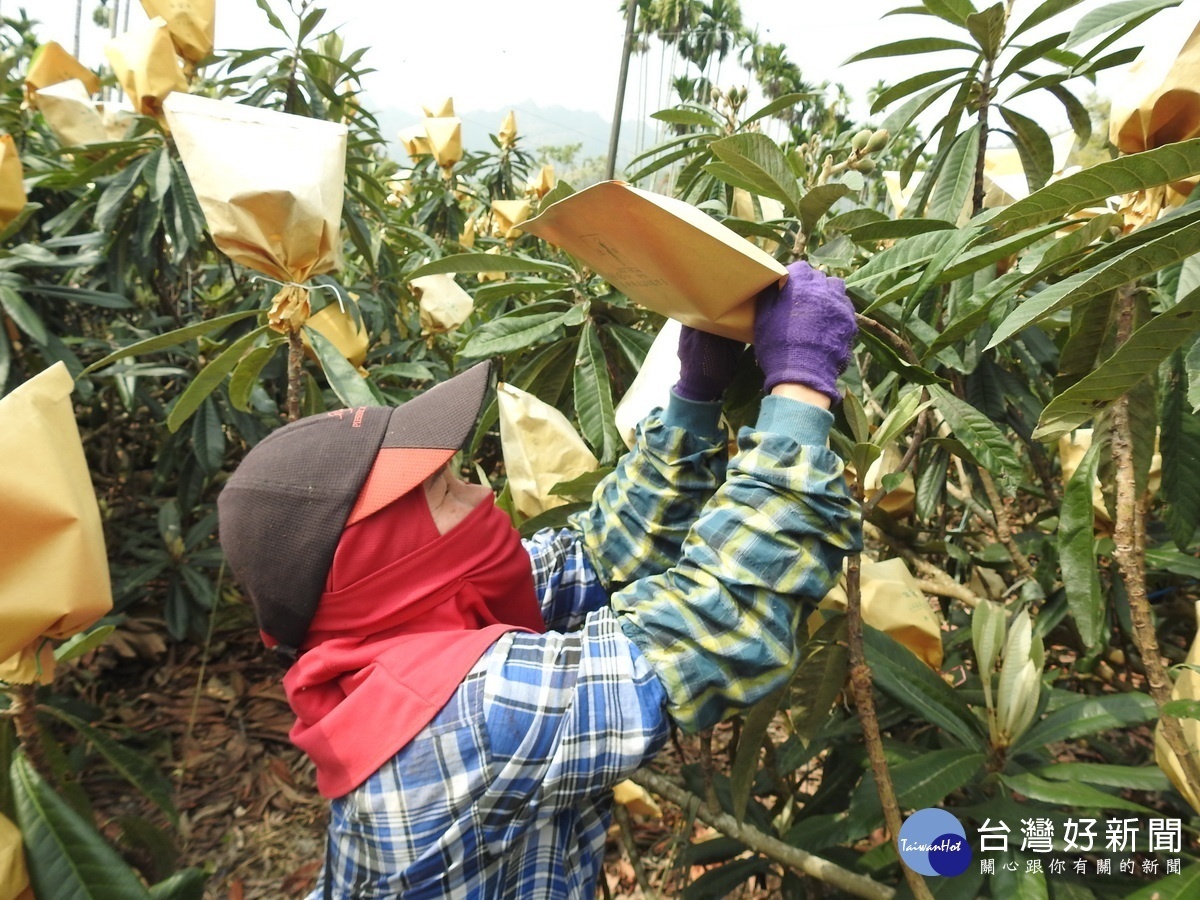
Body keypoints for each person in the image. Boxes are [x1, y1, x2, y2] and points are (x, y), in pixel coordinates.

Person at [217, 260, 861, 898]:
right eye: (447, 491)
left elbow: (597, 557)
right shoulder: (458, 716)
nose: (483, 491)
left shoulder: (397, 626)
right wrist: (800, 391)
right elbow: (714, 628)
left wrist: (692, 397)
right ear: (387, 565)